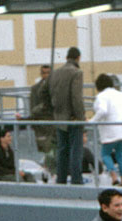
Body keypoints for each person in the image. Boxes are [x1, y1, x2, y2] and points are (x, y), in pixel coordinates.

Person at [89, 73, 122, 186]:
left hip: (111, 131)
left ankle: (114, 177)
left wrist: (92, 121)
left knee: (105, 154)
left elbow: (102, 111)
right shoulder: (120, 94)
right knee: (120, 153)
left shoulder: (101, 96)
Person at [46, 46, 85, 185]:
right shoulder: (77, 72)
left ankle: (61, 179)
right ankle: (76, 180)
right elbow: (77, 98)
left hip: (59, 118)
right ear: (78, 58)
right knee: (76, 150)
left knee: (62, 150)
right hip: (72, 119)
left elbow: (51, 94)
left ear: (66, 57)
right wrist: (81, 118)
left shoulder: (55, 73)